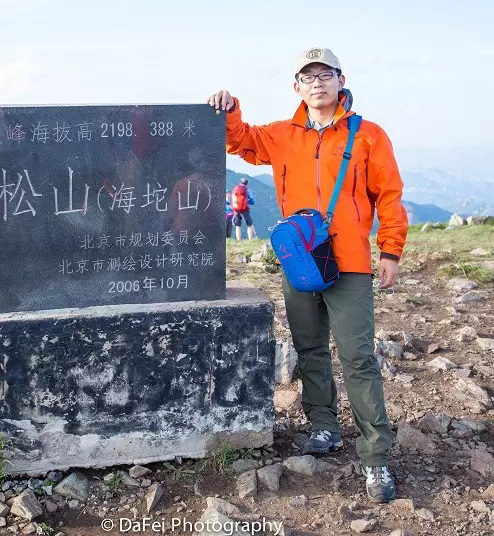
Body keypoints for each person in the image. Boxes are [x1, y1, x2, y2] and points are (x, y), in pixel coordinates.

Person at [207, 47, 408, 503]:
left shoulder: (369, 135)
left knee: (358, 356)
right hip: (300, 261)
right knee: (310, 348)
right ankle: (323, 426)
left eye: (326, 74)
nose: (317, 83)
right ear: (296, 86)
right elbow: (238, 140)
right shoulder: (283, 135)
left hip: (351, 260)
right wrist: (230, 107)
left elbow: (390, 195)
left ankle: (375, 457)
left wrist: (390, 250)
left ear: (341, 80)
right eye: (308, 76)